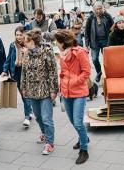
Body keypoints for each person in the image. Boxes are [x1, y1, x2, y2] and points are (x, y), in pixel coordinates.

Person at [54, 30, 91, 164]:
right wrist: (61, 87)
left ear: (63, 43)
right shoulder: (60, 54)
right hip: (66, 92)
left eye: (57, 42)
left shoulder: (79, 52)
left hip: (79, 92)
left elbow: (86, 71)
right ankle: (83, 138)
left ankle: (84, 150)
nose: (56, 44)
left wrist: (73, 82)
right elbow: (62, 73)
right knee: (72, 121)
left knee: (78, 121)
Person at [21, 29, 58, 155]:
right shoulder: (26, 53)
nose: (24, 43)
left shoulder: (47, 51)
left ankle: (50, 143)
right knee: (38, 117)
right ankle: (44, 133)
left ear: (33, 41)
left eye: (26, 41)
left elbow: (53, 71)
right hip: (31, 90)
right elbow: (24, 72)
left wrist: (54, 90)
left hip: (45, 90)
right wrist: (23, 88)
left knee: (47, 118)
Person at [1, 27, 33, 127]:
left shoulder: (29, 45)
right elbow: (8, 59)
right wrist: (4, 70)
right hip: (15, 72)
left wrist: (27, 52)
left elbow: (34, 58)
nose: (18, 37)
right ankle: (30, 111)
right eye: (17, 35)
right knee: (22, 94)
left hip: (26, 73)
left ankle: (27, 117)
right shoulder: (12, 45)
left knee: (25, 94)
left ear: (24, 34)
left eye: (20, 34)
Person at [84, 2, 114, 82]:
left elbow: (113, 27)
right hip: (95, 42)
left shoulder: (107, 16)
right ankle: (99, 72)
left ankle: (107, 73)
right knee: (94, 59)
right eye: (97, 9)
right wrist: (87, 44)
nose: (99, 10)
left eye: (100, 8)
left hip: (106, 41)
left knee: (107, 59)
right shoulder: (90, 18)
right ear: (94, 10)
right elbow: (86, 31)